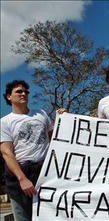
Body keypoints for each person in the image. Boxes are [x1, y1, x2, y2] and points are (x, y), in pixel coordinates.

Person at [0, 80, 53, 221]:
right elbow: (7, 152)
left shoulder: (41, 114)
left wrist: (63, 117)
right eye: (19, 91)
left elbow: (54, 138)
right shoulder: (5, 122)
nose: (23, 94)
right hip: (20, 174)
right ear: (8, 96)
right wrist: (22, 179)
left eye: (26, 92)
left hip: (44, 172)